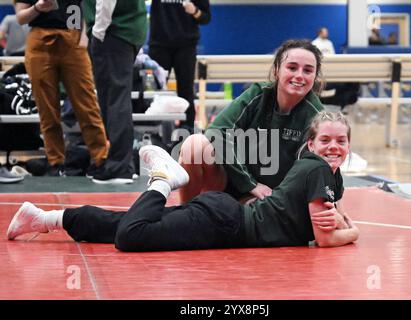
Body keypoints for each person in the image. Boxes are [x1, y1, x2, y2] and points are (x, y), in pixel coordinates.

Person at [7, 111, 360, 250]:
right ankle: (163, 179)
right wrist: (352, 230)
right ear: (311, 144)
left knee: (122, 225)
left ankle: (45, 219)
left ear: (348, 145)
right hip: (226, 224)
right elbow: (328, 239)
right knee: (132, 238)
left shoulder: (328, 174)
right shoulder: (315, 168)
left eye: (341, 141)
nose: (334, 147)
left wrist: (339, 219)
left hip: (224, 217)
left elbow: (330, 217)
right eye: (326, 140)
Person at [178, 39, 324, 203]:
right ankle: (187, 212)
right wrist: (250, 184)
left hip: (272, 197)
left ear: (315, 77)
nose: (299, 75)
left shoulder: (317, 116)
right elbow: (217, 130)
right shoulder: (258, 95)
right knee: (194, 145)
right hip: (233, 182)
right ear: (276, 70)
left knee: (255, 221)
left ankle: (229, 211)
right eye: (292, 67)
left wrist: (335, 210)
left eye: (308, 70)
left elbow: (326, 166)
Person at [14, 0, 109, 176]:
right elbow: (20, 18)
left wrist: (84, 38)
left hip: (73, 39)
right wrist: (37, 8)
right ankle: (55, 162)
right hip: (39, 41)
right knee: (47, 108)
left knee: (87, 103)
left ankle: (100, 158)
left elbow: (88, 9)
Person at [82, 0, 148, 184]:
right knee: (117, 97)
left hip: (113, 30)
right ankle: (123, 164)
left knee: (114, 99)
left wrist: (98, 33)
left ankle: (119, 167)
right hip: (126, 29)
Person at [148, 0, 211, 132]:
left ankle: (186, 130)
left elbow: (206, 17)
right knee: (155, 90)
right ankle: (152, 129)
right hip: (159, 43)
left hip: (186, 44)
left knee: (186, 89)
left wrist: (195, 11)